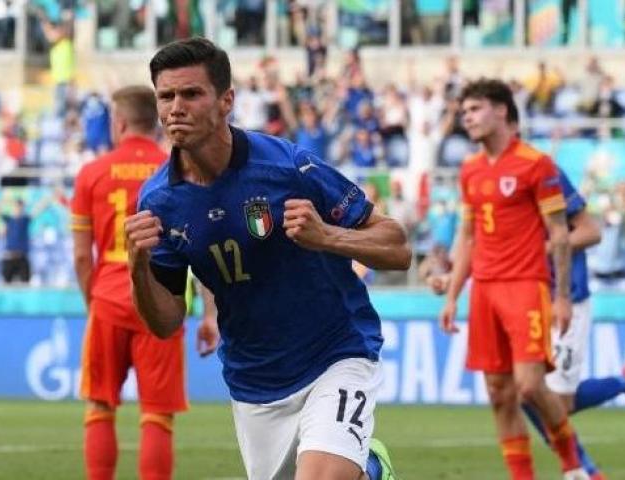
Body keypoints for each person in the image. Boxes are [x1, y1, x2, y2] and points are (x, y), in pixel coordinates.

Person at [124, 38, 410, 480]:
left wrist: (327, 236)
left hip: (335, 352)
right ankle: (369, 470)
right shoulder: (159, 201)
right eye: (166, 96)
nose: (176, 107)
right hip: (254, 381)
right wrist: (137, 267)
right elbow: (164, 322)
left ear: (226, 101)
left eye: (191, 94)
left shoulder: (287, 167)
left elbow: (397, 246)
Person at [430, 168, 625, 480]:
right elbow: (486, 248)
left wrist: (540, 250)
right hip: (522, 302)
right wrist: (451, 279)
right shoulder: (487, 185)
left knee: (556, 402)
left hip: (564, 300)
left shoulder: (543, 173)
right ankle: (585, 471)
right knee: (523, 390)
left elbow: (591, 232)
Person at [438, 78, 589, 480]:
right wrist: (453, 295)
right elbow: (468, 235)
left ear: (501, 110)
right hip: (484, 290)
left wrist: (562, 299)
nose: (466, 118)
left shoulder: (536, 164)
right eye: (464, 112)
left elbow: (559, 233)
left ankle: (573, 466)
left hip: (525, 285)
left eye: (474, 109)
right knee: (498, 394)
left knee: (529, 386)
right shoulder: (470, 171)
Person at [70, 85, 218, 480]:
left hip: (108, 301)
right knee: (157, 415)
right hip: (162, 298)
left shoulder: (91, 174)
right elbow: (203, 250)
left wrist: (94, 303)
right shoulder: (181, 171)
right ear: (154, 122)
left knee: (100, 406)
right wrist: (210, 314)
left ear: (118, 123)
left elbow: (84, 256)